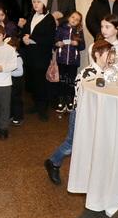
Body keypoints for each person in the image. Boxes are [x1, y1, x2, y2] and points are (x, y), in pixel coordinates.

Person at [44, 39, 114, 185]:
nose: (112, 57)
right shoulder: (87, 74)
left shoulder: (108, 72)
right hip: (82, 113)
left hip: (96, 113)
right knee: (72, 143)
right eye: (108, 53)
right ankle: (53, 162)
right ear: (97, 54)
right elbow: (85, 98)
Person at [22, 0, 56, 121]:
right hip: (30, 55)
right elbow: (25, 31)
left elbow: (49, 39)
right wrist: (24, 38)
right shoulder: (32, 16)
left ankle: (43, 109)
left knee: (42, 82)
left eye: (38, 2)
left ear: (44, 3)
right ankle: (36, 105)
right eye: (34, 2)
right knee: (33, 82)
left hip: (42, 55)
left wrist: (32, 39)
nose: (36, 4)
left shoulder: (49, 19)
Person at [53, 11, 85, 113]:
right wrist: (57, 44)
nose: (74, 20)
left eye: (77, 20)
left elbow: (82, 46)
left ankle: (70, 100)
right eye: (73, 17)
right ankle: (61, 100)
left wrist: (77, 44)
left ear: (79, 22)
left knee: (71, 82)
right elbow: (55, 41)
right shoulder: (61, 28)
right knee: (62, 81)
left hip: (73, 61)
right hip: (61, 60)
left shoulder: (79, 31)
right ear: (68, 17)